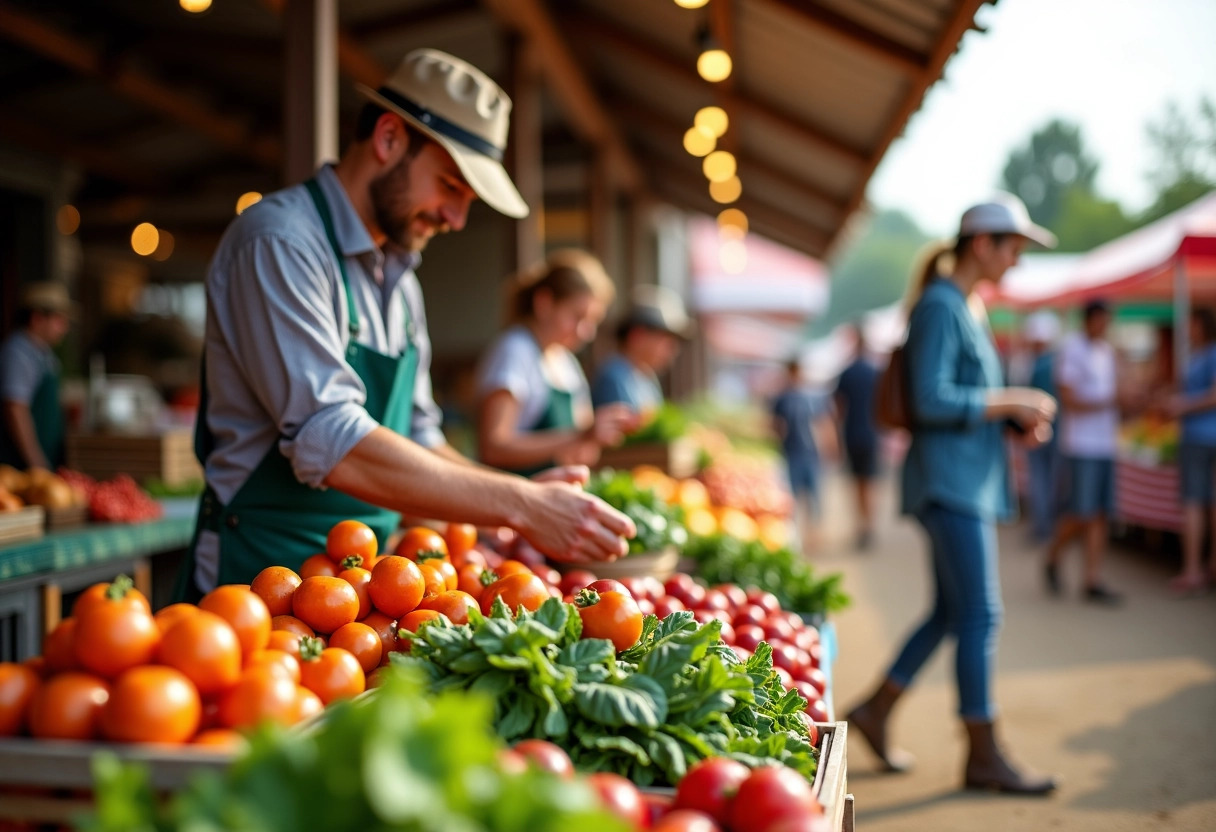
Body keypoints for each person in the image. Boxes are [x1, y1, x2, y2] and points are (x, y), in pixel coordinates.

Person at [180, 49, 634, 598]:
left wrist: (513, 495)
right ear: (389, 138)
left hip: (364, 587)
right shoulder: (281, 244)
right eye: (449, 185)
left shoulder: (402, 285)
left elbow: (419, 436)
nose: (456, 218)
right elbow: (333, 438)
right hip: (258, 580)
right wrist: (520, 505)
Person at [847, 194, 1059, 795]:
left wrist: (1010, 416)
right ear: (982, 244)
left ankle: (875, 710)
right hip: (950, 484)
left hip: (962, 479)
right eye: (1013, 248)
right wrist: (1012, 399)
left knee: (950, 612)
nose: (1017, 260)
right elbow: (934, 399)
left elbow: (957, 398)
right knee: (980, 614)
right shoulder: (944, 305)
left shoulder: (962, 303)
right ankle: (983, 753)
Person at [475, 250, 637, 475]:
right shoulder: (516, 351)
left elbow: (583, 448)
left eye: (593, 321)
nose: (586, 333)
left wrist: (598, 436)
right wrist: (581, 436)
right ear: (545, 303)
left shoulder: (566, 362)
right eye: (577, 317)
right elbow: (494, 447)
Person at [1044, 299, 1124, 605]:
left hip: (1105, 444)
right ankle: (1053, 555)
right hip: (1081, 445)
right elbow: (1069, 398)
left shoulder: (1106, 352)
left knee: (1099, 514)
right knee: (1082, 512)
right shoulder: (1072, 349)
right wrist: (1107, 402)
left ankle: (1092, 579)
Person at [1164, 307, 1216, 595]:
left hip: (1199, 437)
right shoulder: (1198, 355)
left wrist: (1181, 405)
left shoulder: (1208, 354)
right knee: (1206, 503)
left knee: (1195, 502)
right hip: (1200, 436)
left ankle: (1193, 569)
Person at [0, 282, 73, 470]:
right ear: (37, 318)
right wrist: (36, 462)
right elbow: (16, 408)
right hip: (17, 465)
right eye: (59, 321)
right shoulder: (18, 353)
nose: (63, 328)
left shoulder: (44, 353)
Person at [591, 285, 691, 415]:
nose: (672, 349)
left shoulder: (645, 377)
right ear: (637, 336)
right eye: (666, 340)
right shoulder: (614, 377)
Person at [771, 358, 837, 553]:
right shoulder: (782, 398)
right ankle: (799, 535)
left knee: (814, 496)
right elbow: (776, 424)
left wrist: (830, 445)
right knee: (793, 498)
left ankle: (814, 533)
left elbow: (824, 422)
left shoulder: (812, 397)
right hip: (791, 453)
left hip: (810, 454)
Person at [833, 324, 881, 551]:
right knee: (870, 481)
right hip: (872, 433)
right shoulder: (875, 372)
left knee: (856, 482)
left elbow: (838, 407)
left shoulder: (847, 372)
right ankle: (869, 524)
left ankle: (861, 525)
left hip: (852, 433)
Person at [1023, 311, 1062, 543]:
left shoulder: (1036, 365)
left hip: (1039, 430)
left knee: (1040, 479)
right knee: (1048, 478)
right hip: (1049, 430)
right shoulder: (1051, 362)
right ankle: (1047, 525)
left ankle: (1043, 525)